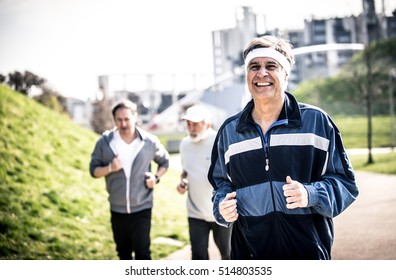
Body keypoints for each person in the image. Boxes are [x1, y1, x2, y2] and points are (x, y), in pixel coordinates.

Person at [208, 35, 359, 260]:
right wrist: (222, 206)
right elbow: (220, 183)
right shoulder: (229, 131)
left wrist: (311, 194)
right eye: (254, 67)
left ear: (286, 74)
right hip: (249, 255)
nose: (261, 74)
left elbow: (345, 184)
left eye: (271, 66)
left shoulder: (316, 122)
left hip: (306, 253)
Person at [89, 99, 169, 260]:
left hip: (142, 208)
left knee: (143, 254)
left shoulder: (149, 142)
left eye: (127, 119)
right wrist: (110, 167)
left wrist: (156, 177)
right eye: (119, 120)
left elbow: (164, 162)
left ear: (135, 117)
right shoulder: (104, 143)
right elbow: (94, 171)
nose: (123, 123)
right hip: (117, 209)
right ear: (114, 120)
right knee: (123, 255)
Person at [176, 104, 232, 260]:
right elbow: (185, 171)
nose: (191, 128)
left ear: (207, 124)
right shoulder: (184, 144)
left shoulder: (220, 141)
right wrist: (183, 182)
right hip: (195, 212)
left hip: (221, 210)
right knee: (198, 256)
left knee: (227, 255)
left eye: (195, 124)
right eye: (188, 124)